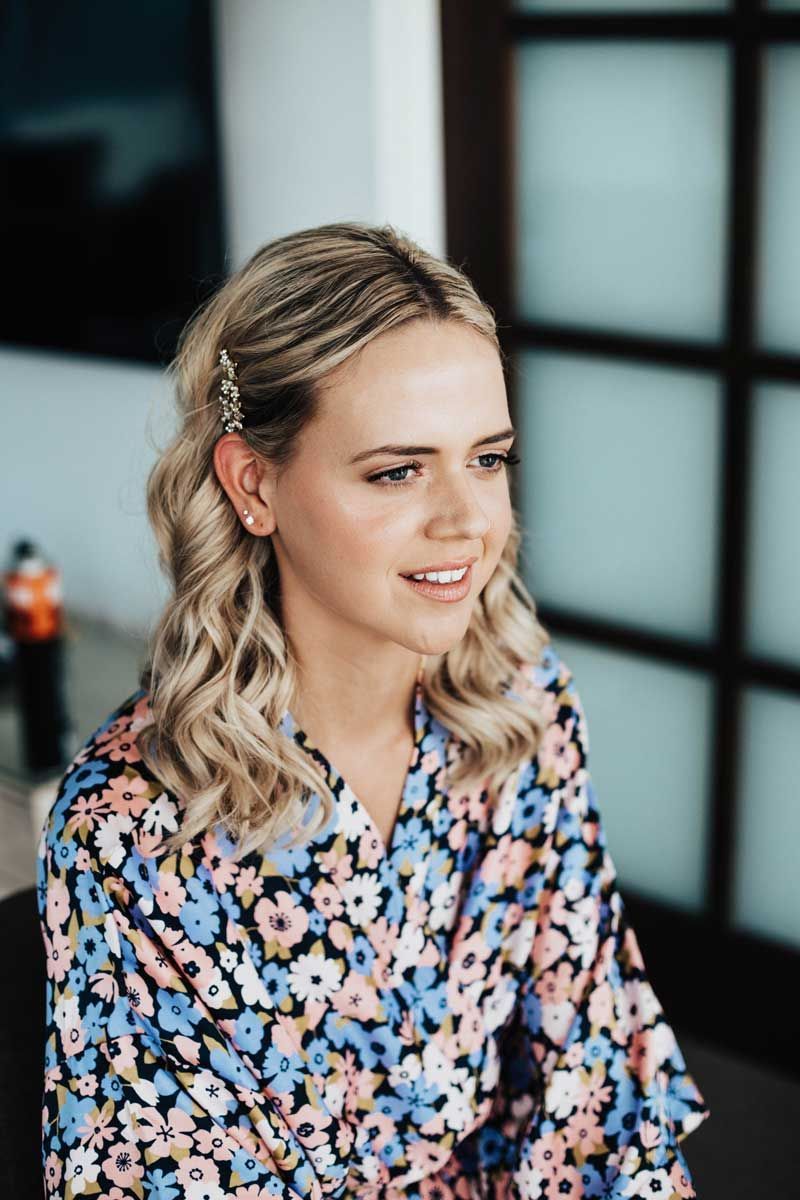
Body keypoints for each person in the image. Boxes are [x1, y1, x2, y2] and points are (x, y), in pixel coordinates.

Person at [36, 221, 710, 1200]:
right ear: (252, 483)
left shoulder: (520, 706)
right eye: (396, 471)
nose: (466, 521)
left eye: (486, 459)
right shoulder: (132, 833)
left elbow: (589, 1080)